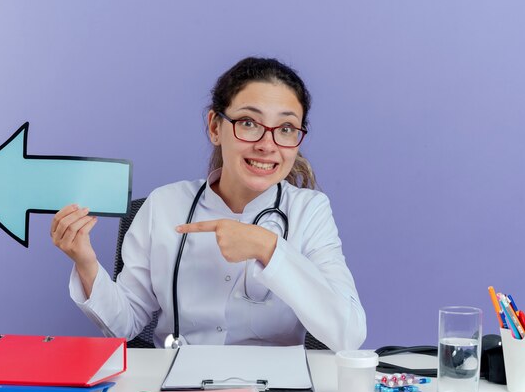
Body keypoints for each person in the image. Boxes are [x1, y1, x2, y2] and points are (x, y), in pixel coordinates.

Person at [51, 57, 367, 351]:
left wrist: (268, 249)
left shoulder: (309, 211)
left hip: (273, 390)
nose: (267, 145)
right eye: (248, 123)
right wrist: (85, 262)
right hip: (178, 384)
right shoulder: (164, 205)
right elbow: (124, 324)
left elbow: (348, 335)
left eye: (285, 129)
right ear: (215, 127)